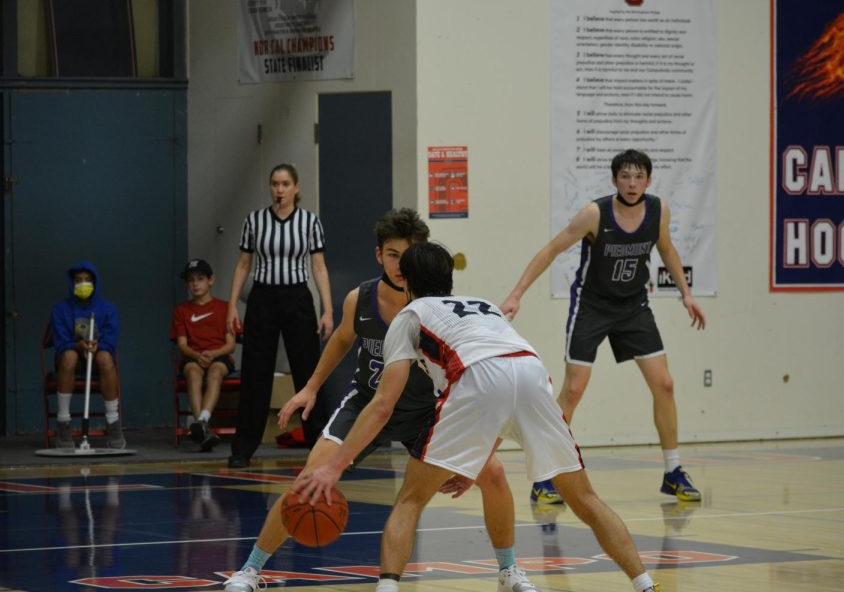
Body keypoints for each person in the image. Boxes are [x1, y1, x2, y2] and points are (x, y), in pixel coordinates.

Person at [294, 242, 659, 592]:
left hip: (476, 375)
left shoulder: (409, 315)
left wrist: (334, 467)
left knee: (410, 500)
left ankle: (388, 587)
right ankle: (645, 585)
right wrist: (475, 457)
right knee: (586, 499)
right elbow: (507, 391)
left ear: (405, 280)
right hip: (531, 372)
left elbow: (382, 405)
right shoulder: (484, 304)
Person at [223, 210, 540, 592]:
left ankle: (509, 571)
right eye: (393, 254)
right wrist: (310, 387)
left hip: (426, 410)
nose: (401, 264)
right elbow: (341, 339)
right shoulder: (361, 298)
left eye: (409, 254)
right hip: (368, 404)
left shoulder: (438, 305)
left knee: (494, 473)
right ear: (379, 255)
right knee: (309, 478)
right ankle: (251, 570)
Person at [500, 149, 706, 504]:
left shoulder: (658, 210)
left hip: (633, 307)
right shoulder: (595, 214)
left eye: (638, 176)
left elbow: (668, 249)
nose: (631, 183)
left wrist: (686, 295)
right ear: (614, 181)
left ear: (648, 181)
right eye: (625, 176)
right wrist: (517, 293)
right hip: (591, 306)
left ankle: (673, 471)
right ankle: (546, 476)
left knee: (665, 384)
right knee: (574, 391)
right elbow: (552, 249)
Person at [225, 164, 334, 468]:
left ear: (296, 187)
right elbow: (243, 265)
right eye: (275, 184)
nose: (279, 189)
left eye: (285, 184)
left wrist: (327, 310)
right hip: (262, 298)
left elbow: (319, 267)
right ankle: (243, 448)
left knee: (309, 372)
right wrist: (232, 305)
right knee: (255, 373)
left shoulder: (310, 222)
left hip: (298, 298)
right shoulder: (255, 221)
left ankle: (318, 444)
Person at [50, 260, 124, 449]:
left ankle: (113, 423)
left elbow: (111, 341)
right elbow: (60, 342)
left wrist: (99, 346)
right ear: (72, 283)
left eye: (87, 280)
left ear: (95, 283)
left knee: (106, 357)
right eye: (78, 280)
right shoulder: (60, 309)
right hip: (73, 360)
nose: (83, 284)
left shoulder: (109, 309)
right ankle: (64, 424)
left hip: (98, 361)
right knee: (69, 356)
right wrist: (78, 345)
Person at [171, 259, 237, 451]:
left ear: (211, 280)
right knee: (192, 372)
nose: (195, 284)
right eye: (191, 280)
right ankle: (204, 429)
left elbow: (231, 344)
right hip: (193, 357)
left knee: (215, 371)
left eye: (200, 278)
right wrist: (197, 355)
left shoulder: (225, 308)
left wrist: (213, 354)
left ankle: (201, 422)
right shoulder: (181, 311)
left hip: (219, 356)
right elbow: (182, 345)